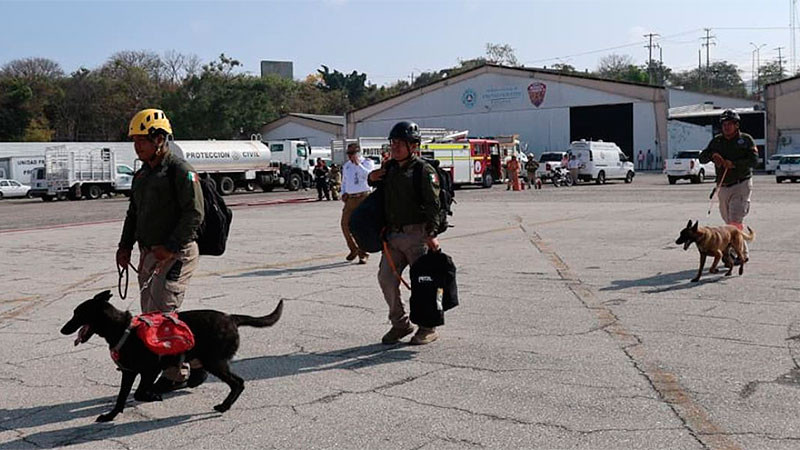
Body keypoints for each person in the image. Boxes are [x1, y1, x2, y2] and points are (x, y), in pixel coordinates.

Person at [116, 108, 205, 392]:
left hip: (176, 253)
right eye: (135, 140)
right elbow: (134, 213)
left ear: (159, 138)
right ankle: (199, 363)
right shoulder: (142, 175)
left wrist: (170, 247)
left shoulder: (179, 170)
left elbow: (194, 214)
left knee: (163, 314)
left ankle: (176, 374)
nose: (136, 145)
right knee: (151, 315)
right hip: (149, 254)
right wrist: (124, 246)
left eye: (141, 139)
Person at [368, 121, 441, 345]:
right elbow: (373, 184)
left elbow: (433, 204)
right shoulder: (390, 169)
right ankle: (400, 324)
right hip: (392, 236)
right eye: (393, 143)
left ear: (414, 146)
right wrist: (372, 176)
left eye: (400, 143)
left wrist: (432, 233)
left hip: (417, 235)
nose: (395, 147)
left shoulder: (422, 170)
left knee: (422, 282)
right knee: (386, 279)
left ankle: (427, 327)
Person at [698, 109, 758, 263]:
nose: (726, 127)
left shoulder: (745, 140)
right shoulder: (717, 141)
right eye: (724, 124)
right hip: (723, 186)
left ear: (736, 125)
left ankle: (739, 254)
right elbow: (702, 157)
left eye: (730, 124)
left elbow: (754, 160)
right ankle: (736, 250)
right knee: (728, 222)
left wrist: (734, 164)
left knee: (734, 220)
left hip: (741, 184)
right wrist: (713, 156)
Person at [341, 144, 374, 264]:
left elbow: (368, 176)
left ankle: (363, 253)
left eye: (352, 154)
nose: (350, 156)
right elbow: (344, 181)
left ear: (358, 153)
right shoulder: (346, 166)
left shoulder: (367, 163)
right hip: (351, 198)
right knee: (345, 224)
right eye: (348, 154)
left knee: (362, 227)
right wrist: (343, 193)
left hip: (363, 197)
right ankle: (353, 248)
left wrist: (358, 164)